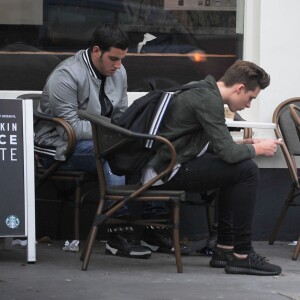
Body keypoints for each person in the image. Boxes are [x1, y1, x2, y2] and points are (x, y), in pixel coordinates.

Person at [141, 60, 282, 275]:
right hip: (168, 171)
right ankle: (243, 254)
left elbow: (214, 147)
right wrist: (260, 149)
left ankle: (225, 249)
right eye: (250, 98)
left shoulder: (203, 91)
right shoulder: (208, 100)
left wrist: (245, 144)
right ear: (240, 88)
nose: (249, 105)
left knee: (235, 167)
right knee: (248, 170)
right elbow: (227, 153)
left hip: (171, 164)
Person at [34, 23, 151, 259]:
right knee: (111, 154)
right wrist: (115, 133)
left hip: (99, 140)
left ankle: (152, 226)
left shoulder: (119, 72)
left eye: (122, 59)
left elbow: (120, 116)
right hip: (57, 146)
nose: (118, 66)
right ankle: (117, 233)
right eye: (114, 59)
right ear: (96, 51)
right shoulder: (66, 75)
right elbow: (72, 130)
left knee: (143, 149)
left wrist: (124, 131)